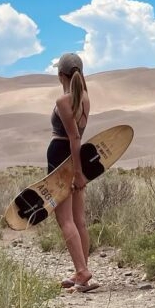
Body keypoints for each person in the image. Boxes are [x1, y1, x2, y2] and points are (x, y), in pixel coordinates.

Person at [48, 52, 97, 292]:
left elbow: (73, 137)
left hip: (62, 158)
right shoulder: (85, 98)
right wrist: (81, 171)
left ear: (60, 75)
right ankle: (82, 272)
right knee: (79, 220)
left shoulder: (63, 101)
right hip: (77, 160)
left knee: (64, 219)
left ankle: (81, 271)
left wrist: (77, 173)